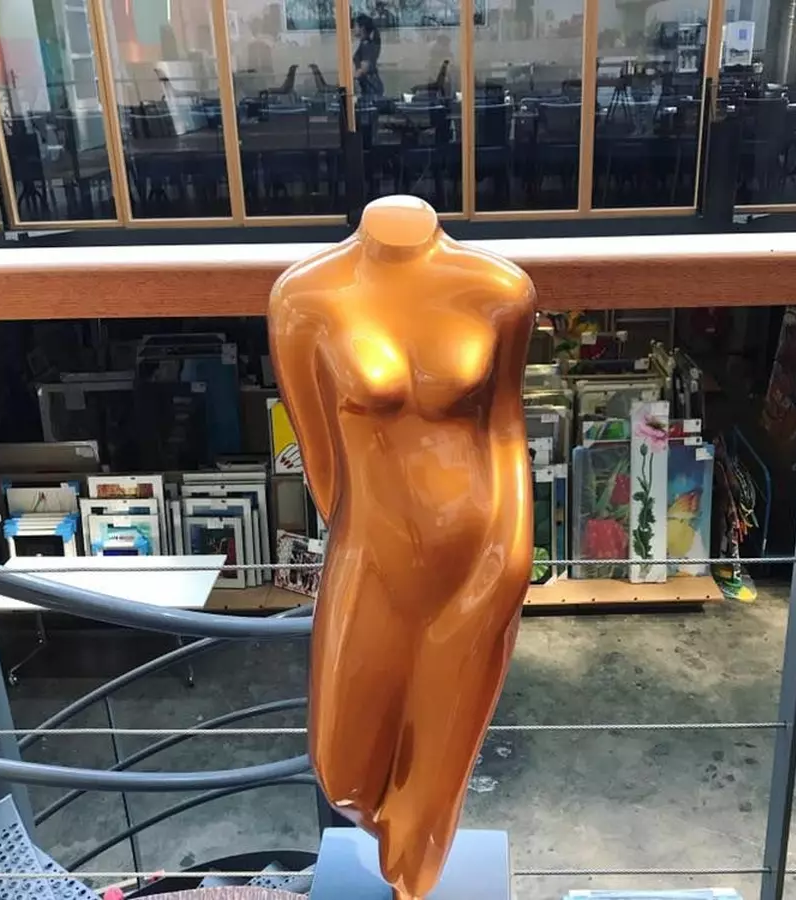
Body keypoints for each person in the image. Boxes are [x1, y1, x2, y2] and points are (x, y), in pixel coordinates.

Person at [269, 195, 535, 900]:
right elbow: (322, 463)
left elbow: (507, 431)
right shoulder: (304, 298)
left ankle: (413, 879)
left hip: (480, 554)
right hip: (372, 555)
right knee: (341, 769)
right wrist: (382, 534)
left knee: (431, 783)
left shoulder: (501, 290)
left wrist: (512, 560)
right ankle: (403, 857)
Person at [352, 13, 384, 98]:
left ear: (362, 28)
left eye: (355, 26)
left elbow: (364, 67)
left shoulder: (367, 45)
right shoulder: (364, 43)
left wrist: (349, 79)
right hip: (369, 86)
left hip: (371, 87)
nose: (353, 29)